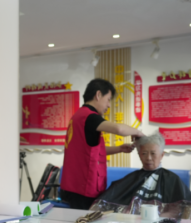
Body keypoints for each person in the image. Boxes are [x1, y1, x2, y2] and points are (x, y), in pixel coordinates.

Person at [60, 78, 144, 210]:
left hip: (75, 186)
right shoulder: (89, 117)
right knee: (84, 221)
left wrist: (119, 148)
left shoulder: (78, 116)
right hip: (83, 189)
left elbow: (91, 150)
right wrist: (138, 133)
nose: (109, 105)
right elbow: (119, 129)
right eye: (108, 99)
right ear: (98, 95)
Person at [91, 132, 191, 219]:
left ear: (162, 155)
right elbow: (103, 203)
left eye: (153, 153)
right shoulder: (131, 179)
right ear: (139, 155)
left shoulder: (172, 179)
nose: (148, 158)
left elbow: (189, 207)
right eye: (144, 153)